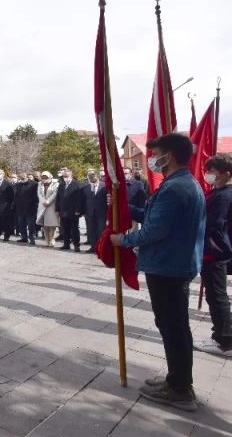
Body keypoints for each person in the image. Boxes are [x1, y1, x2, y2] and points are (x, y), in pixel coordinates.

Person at [110, 133, 206, 411]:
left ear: (170, 156)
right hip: (173, 265)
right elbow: (154, 217)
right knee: (174, 326)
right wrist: (125, 208)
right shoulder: (180, 183)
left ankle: (180, 390)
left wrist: (122, 240)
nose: (151, 159)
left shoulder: (176, 188)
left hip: (168, 267)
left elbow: (154, 231)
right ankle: (177, 379)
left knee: (173, 327)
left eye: (156, 154)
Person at [194, 154, 232, 357]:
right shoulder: (218, 192)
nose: (208, 174)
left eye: (213, 171)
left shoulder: (224, 195)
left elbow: (212, 224)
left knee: (217, 296)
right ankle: (220, 334)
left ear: (226, 174)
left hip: (215, 252)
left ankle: (225, 341)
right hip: (213, 250)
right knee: (215, 294)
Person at [55, 168, 82, 252]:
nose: (65, 178)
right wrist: (57, 209)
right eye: (64, 176)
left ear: (71, 176)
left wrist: (78, 210)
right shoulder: (61, 185)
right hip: (63, 210)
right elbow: (58, 198)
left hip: (73, 211)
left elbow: (79, 199)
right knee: (65, 228)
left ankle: (76, 245)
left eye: (66, 176)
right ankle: (66, 244)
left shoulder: (77, 184)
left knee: (74, 229)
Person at [82, 170, 107, 253]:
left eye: (94, 179)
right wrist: (84, 212)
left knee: (101, 231)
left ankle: (101, 248)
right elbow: (83, 200)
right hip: (90, 212)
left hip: (101, 212)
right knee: (91, 230)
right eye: (91, 179)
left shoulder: (104, 186)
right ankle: (93, 247)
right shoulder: (86, 187)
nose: (92, 180)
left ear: (98, 177)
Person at [14, 172, 39, 245]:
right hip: (20, 208)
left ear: (26, 176)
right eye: (21, 178)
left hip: (30, 208)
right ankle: (24, 237)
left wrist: (31, 203)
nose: (22, 179)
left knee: (31, 225)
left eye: (23, 178)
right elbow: (16, 196)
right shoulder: (18, 184)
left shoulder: (34, 184)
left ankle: (32, 238)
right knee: (21, 224)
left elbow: (36, 196)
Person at [36, 171, 59, 246]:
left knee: (52, 224)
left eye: (46, 177)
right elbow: (39, 193)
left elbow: (55, 193)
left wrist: (48, 201)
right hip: (42, 205)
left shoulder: (55, 183)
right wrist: (43, 201)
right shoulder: (39, 183)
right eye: (43, 177)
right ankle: (47, 240)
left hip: (51, 205)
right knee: (45, 224)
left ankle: (52, 239)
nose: (44, 179)